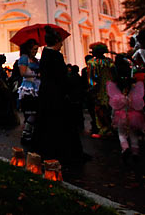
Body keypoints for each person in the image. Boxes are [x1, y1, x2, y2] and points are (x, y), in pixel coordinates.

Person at [33, 26, 85, 166]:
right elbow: (61, 77)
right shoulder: (56, 56)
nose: (62, 44)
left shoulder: (45, 54)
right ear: (56, 41)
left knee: (47, 122)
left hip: (47, 93)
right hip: (56, 94)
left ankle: (47, 148)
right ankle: (62, 151)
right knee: (60, 122)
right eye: (60, 42)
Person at [107, 55, 145, 163]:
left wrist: (112, 117)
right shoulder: (134, 90)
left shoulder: (116, 94)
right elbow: (139, 105)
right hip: (134, 115)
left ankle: (125, 148)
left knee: (122, 134)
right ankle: (135, 153)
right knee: (133, 134)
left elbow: (114, 108)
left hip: (120, 115)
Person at [86, 42, 115, 137]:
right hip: (111, 89)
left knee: (100, 110)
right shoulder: (109, 61)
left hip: (99, 90)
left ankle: (103, 129)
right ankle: (111, 129)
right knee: (110, 109)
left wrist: (92, 90)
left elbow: (91, 79)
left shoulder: (92, 63)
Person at [17, 39, 40, 145]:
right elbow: (22, 73)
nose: (36, 51)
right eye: (34, 49)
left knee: (36, 112)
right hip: (28, 88)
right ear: (29, 49)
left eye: (37, 49)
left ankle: (31, 134)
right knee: (31, 112)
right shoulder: (24, 58)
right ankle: (26, 134)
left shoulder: (35, 60)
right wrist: (35, 74)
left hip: (37, 87)